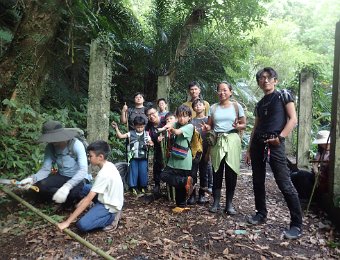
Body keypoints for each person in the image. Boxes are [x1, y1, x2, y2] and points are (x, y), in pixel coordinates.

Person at [245, 67, 303, 240]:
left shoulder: (283, 95)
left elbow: (293, 119)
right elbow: (255, 126)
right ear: (259, 83)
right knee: (257, 180)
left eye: (269, 78)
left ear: (275, 80)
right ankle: (261, 213)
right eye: (262, 78)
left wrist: (280, 137)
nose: (266, 80)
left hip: (275, 142)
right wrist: (249, 149)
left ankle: (296, 224)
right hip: (258, 143)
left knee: (284, 182)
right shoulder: (260, 103)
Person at [57, 140, 124, 232]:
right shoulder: (109, 165)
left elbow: (88, 198)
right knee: (84, 187)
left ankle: (112, 217)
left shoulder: (104, 174)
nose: (88, 158)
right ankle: (94, 209)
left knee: (82, 225)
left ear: (100, 157)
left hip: (110, 205)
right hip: (110, 196)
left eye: (90, 156)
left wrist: (67, 222)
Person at [202, 81, 246, 215]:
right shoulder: (213, 108)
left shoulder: (237, 106)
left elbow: (243, 124)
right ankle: (216, 203)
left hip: (232, 140)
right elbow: (210, 125)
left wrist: (238, 126)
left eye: (225, 90)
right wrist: (207, 128)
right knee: (217, 171)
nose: (222, 93)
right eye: (220, 90)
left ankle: (229, 204)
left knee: (231, 172)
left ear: (230, 92)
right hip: (218, 140)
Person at [19, 120, 88, 205]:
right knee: (39, 186)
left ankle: (74, 200)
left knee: (72, 195)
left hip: (77, 178)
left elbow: (83, 170)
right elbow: (45, 169)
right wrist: (32, 179)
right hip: (61, 175)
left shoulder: (76, 144)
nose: (51, 141)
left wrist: (68, 186)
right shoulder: (50, 147)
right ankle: (56, 199)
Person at [160, 105, 195, 212]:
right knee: (168, 177)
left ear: (189, 117)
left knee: (167, 176)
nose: (182, 119)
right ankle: (181, 205)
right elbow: (170, 124)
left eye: (184, 116)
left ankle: (181, 203)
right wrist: (163, 128)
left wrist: (172, 130)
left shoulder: (190, 126)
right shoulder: (177, 123)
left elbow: (178, 132)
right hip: (174, 158)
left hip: (184, 160)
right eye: (179, 116)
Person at [112, 116, 152, 194]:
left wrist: (150, 144)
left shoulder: (146, 134)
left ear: (144, 126)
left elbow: (150, 142)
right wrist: (116, 128)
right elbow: (120, 136)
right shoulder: (131, 133)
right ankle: (133, 187)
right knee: (133, 172)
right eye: (138, 127)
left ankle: (143, 187)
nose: (140, 128)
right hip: (133, 157)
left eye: (142, 127)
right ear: (134, 126)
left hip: (143, 157)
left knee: (143, 172)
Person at [188, 98, 213, 204]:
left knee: (204, 173)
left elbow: (213, 134)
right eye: (196, 105)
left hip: (205, 149)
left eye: (200, 105)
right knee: (193, 173)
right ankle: (192, 195)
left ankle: (202, 194)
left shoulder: (209, 119)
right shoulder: (191, 121)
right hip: (194, 151)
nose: (198, 106)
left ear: (204, 106)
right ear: (193, 108)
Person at [145, 106, 166, 195]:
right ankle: (157, 185)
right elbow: (147, 136)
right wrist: (149, 141)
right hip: (158, 149)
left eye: (153, 113)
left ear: (157, 112)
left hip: (167, 148)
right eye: (149, 115)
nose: (151, 116)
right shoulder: (149, 126)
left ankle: (169, 185)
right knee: (157, 166)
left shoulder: (164, 120)